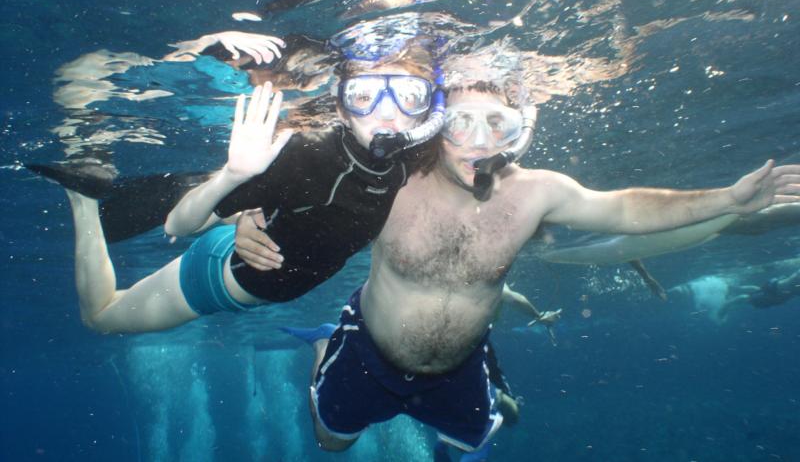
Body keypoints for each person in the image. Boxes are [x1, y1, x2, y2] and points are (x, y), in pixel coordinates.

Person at [236, 76, 799, 455]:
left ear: (520, 130)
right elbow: (302, 184)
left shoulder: (537, 192)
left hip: (458, 367)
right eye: (460, 123)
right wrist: (248, 213)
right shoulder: (394, 181)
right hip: (367, 352)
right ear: (437, 124)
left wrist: (727, 199)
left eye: (496, 125)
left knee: (470, 443)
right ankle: (322, 348)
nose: (477, 143)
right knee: (332, 444)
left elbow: (622, 206)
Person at [50, 42, 446, 333]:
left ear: (429, 109)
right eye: (364, 95)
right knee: (100, 317)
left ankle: (232, 210)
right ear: (341, 107)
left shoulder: (414, 153)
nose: (389, 111)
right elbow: (176, 227)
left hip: (256, 240)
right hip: (219, 280)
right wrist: (233, 176)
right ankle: (83, 197)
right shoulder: (306, 154)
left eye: (410, 95)